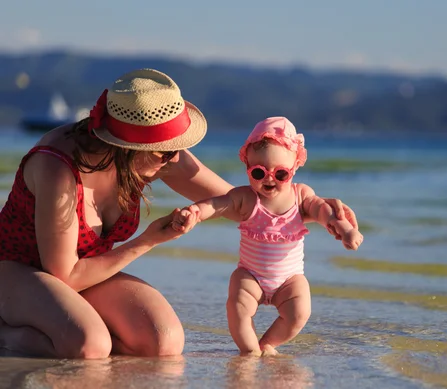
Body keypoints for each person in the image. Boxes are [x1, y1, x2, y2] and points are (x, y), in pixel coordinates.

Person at [0, 69, 357, 359]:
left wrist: (317, 208)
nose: (177, 158)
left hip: (88, 271)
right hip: (19, 269)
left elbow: (244, 206)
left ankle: (80, 333)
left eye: (177, 150)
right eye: (168, 153)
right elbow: (66, 275)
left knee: (163, 341)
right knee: (90, 345)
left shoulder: (158, 155)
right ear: (129, 148)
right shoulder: (58, 169)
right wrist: (151, 239)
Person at [173, 117, 363, 356]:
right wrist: (196, 212)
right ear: (247, 166)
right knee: (238, 306)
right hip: (250, 275)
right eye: (259, 172)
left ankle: (268, 343)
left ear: (294, 169)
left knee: (299, 313)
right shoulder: (245, 198)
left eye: (281, 173)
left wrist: (344, 228)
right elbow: (218, 204)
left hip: (289, 280)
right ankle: (249, 350)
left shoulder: (301, 195)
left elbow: (321, 209)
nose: (269, 179)